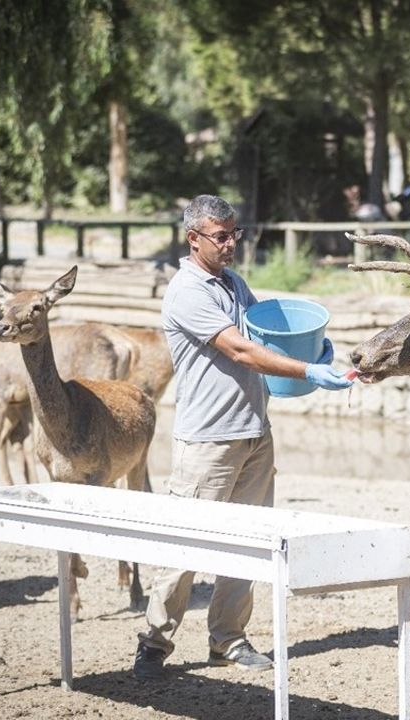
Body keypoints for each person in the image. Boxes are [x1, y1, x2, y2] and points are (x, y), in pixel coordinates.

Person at [133, 194, 353, 680]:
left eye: (236, 234)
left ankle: (228, 640)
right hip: (207, 441)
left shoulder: (233, 282)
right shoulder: (188, 291)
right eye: (221, 236)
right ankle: (154, 642)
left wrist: (313, 348)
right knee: (185, 543)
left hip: (254, 432)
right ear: (194, 239)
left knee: (248, 543)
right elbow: (242, 351)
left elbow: (265, 334)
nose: (232, 244)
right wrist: (309, 370)